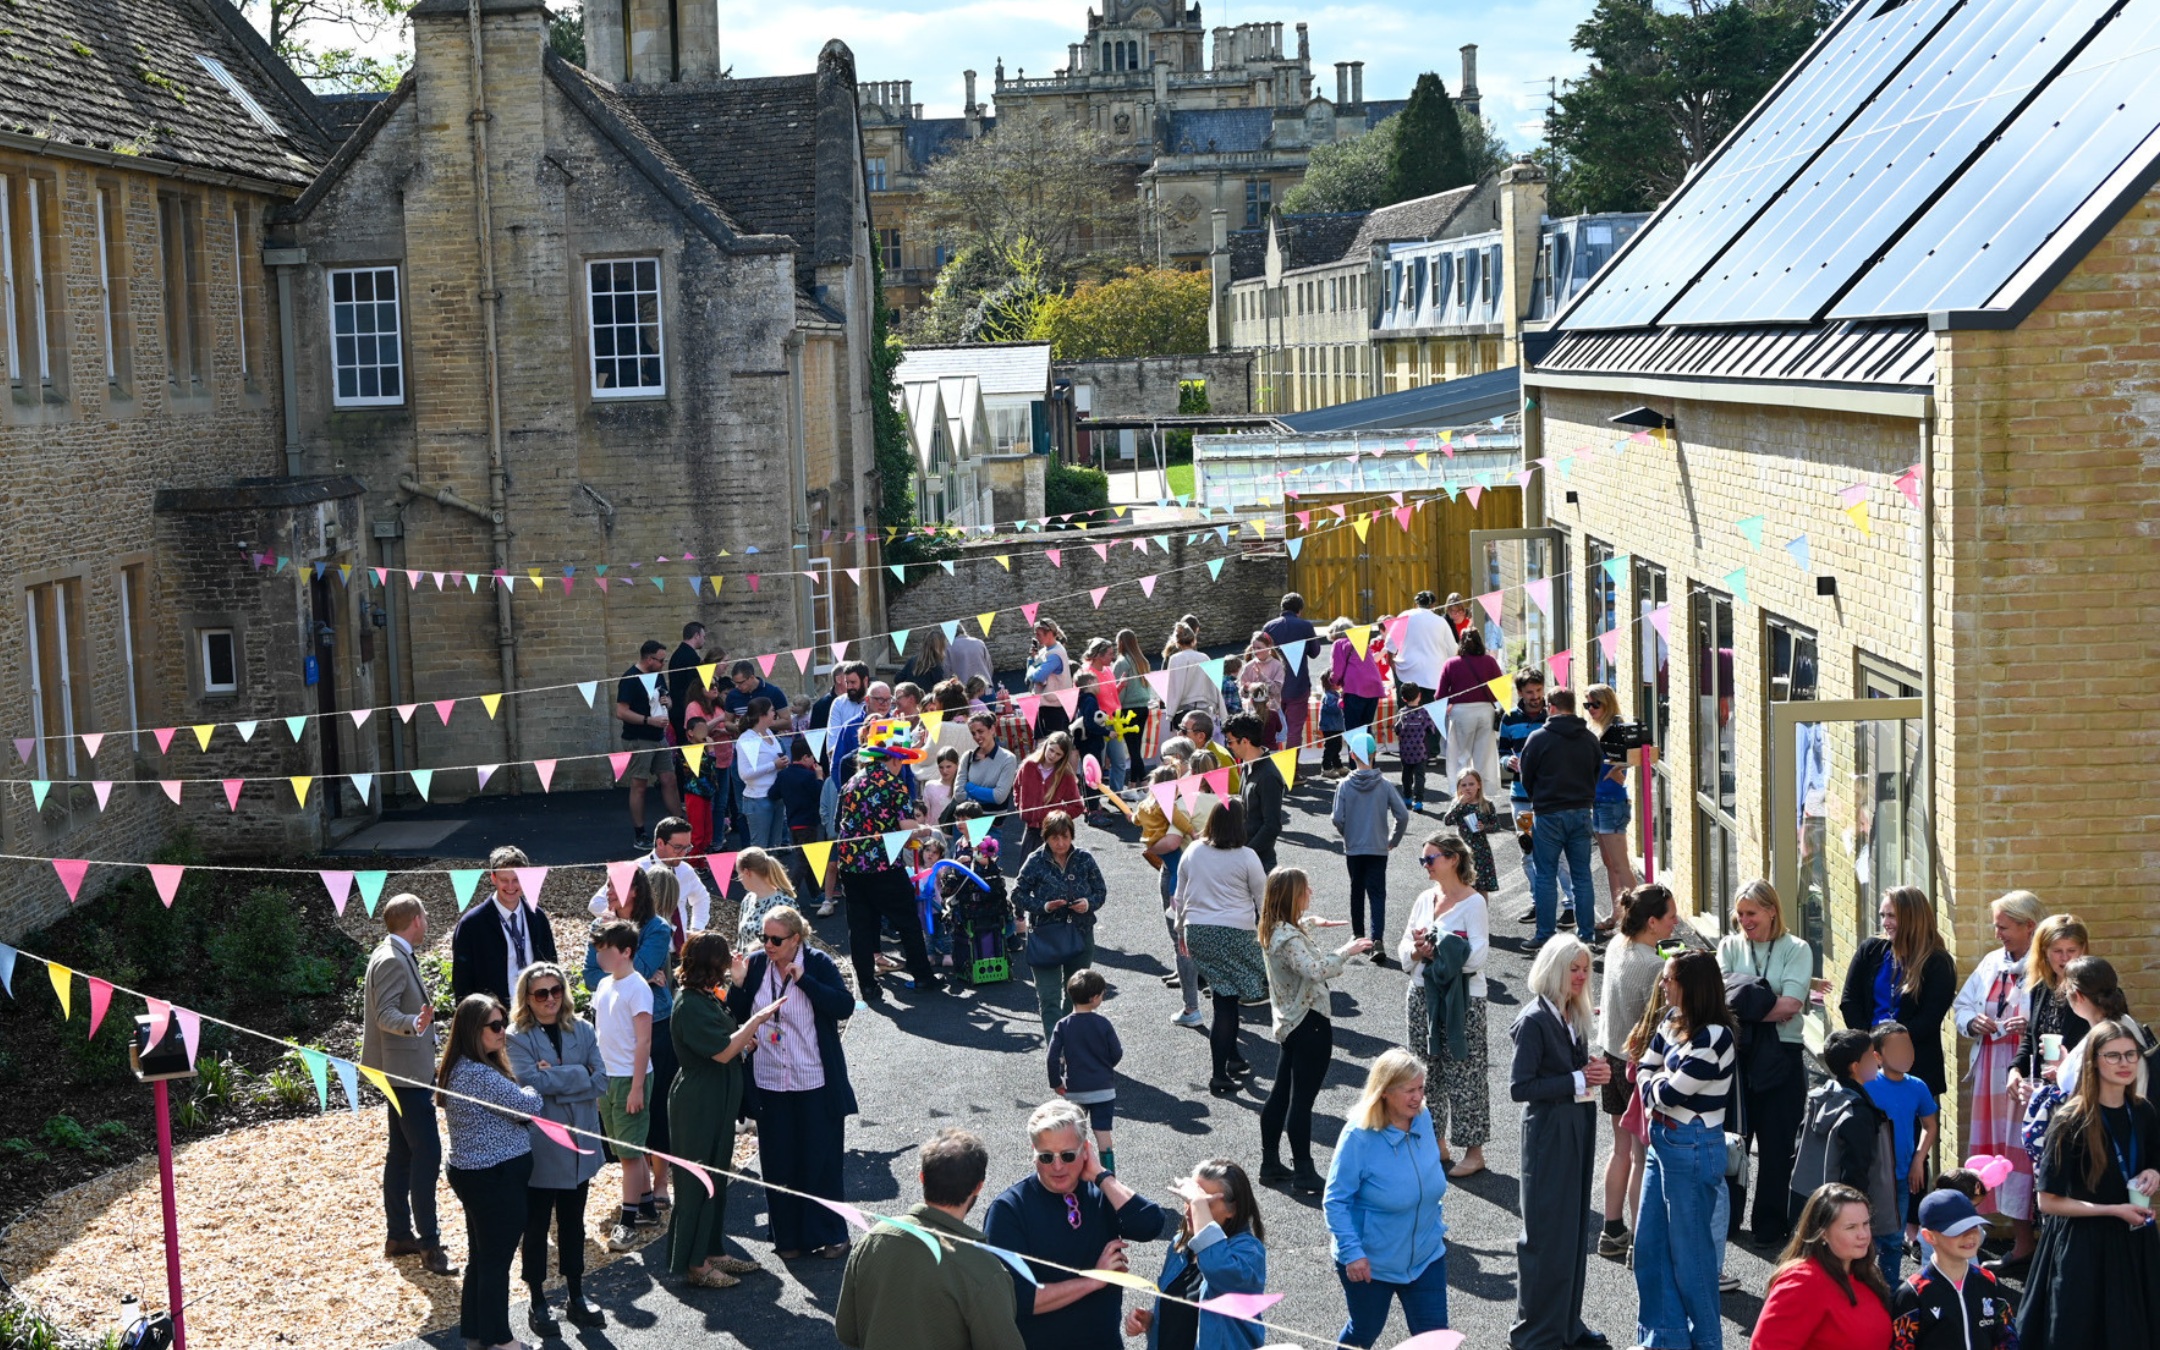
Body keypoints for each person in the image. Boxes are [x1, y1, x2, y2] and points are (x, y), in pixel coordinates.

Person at [2016, 1018, 2160, 1349]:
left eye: (2131, 1054)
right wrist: (2112, 1210)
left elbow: (2153, 1159)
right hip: (2083, 1245)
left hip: (2134, 1239)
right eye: (2113, 1056)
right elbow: (2048, 1202)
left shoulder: (2143, 1111)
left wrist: (2154, 1173)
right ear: (2093, 1061)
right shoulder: (2070, 1120)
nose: (2125, 1063)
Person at [727, 904, 860, 1261]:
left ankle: (832, 1234)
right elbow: (737, 1016)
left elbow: (844, 1006)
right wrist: (738, 984)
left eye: (776, 939)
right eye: (764, 938)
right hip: (770, 1081)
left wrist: (805, 982)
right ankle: (787, 1238)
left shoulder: (817, 963)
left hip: (814, 1079)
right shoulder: (756, 965)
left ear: (796, 939)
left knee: (821, 1161)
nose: (767, 945)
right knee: (778, 1162)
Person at [984, 1099, 1169, 1350]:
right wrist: (1093, 1280)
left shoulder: (1100, 1192)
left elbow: (1150, 1224)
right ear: (1034, 1152)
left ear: (1085, 1151)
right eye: (1046, 1156)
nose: (1057, 1166)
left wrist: (1103, 1177)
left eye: (1068, 1155)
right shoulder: (1009, 1210)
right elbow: (1017, 1299)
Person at [1510, 936, 1610, 1350]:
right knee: (1547, 1233)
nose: (1582, 976)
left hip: (1575, 1123)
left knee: (1571, 1231)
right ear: (1554, 969)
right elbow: (1520, 1087)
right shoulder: (1534, 1020)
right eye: (1574, 968)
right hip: (1550, 1130)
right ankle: (1535, 1334)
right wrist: (1577, 1078)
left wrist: (1591, 1072)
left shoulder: (1572, 1011)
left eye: (1585, 968)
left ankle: (1566, 1326)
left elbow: (1571, 1074)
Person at [837, 1129, 1025, 1350]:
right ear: (978, 1186)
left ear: (922, 1178)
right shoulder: (984, 1270)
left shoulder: (873, 1239)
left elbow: (846, 1331)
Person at [669, 931, 785, 1288]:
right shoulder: (689, 1004)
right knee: (698, 1180)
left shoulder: (705, 997)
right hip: (699, 1103)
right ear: (712, 964)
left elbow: (728, 1044)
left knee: (716, 1178)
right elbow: (720, 1052)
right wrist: (756, 1020)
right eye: (725, 957)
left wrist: (744, 1043)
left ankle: (712, 1250)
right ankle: (695, 1264)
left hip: (716, 1097)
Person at [1633, 950, 1736, 1350]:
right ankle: (1665, 1341)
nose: (1662, 985)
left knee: (1691, 1260)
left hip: (1692, 1149)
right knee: (1649, 1249)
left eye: (1669, 979)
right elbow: (1643, 1067)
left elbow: (1668, 1093)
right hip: (1663, 1143)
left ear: (1691, 986)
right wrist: (1656, 1081)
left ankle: (1708, 1343)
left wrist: (1655, 1082)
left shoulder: (1715, 1037)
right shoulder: (1672, 1020)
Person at [1323, 1048, 1451, 1349]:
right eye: (1409, 1091)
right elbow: (1335, 1201)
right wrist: (1352, 1252)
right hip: (1371, 1263)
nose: (1418, 1098)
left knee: (1435, 1341)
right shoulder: (1358, 1136)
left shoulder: (1422, 1117)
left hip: (1426, 1256)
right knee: (1363, 1332)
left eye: (1420, 1088)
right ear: (1384, 1092)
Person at [436, 994, 542, 1350]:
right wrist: (532, 1086)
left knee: (481, 1258)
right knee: (496, 1261)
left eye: (503, 1023)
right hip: (494, 1177)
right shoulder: (478, 1073)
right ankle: (500, 1340)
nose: (502, 1032)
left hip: (476, 1174)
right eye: (495, 1026)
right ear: (473, 1030)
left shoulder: (459, 1067)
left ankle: (477, 1334)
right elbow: (527, 1107)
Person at [505, 962, 606, 1333]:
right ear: (527, 998)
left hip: (580, 1143)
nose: (550, 999)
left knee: (573, 1223)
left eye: (556, 990)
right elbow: (529, 1081)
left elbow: (602, 1081)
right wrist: (579, 1074)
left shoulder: (583, 1029)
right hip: (543, 1147)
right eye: (541, 993)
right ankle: (537, 1300)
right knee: (535, 1227)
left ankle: (576, 1294)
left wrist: (556, 1075)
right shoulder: (516, 1037)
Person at [1259, 868, 1373, 1192]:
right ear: (1293, 896)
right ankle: (1304, 1172)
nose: (1311, 891)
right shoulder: (1291, 940)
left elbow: (1293, 937)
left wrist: (1312, 922)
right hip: (1310, 1023)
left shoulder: (1272, 929)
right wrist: (1346, 952)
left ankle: (1270, 1163)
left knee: (1280, 1094)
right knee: (1301, 1102)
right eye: (1305, 888)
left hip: (1289, 1023)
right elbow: (1314, 970)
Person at [361, 895, 456, 1277]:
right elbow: (385, 1014)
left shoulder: (391, 952)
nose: (427, 921)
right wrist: (414, 1024)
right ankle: (429, 1244)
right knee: (427, 1155)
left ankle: (399, 1235)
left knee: (401, 1154)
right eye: (425, 916)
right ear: (416, 920)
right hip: (404, 1076)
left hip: (401, 1072)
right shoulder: (391, 959)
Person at [1718, 878, 1814, 1248]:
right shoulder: (1729, 946)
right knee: (1732, 1142)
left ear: (1772, 911)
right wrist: (1764, 1003)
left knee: (1777, 1146)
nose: (1744, 920)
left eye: (1751, 913)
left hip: (1782, 1057)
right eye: (1740, 913)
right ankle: (1727, 1221)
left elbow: (1792, 1004)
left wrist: (1742, 1002)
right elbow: (1719, 1000)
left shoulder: (1796, 949)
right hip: (1738, 1057)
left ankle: (1769, 1225)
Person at [585, 865, 680, 1218]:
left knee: (655, 1108)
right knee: (626, 1116)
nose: (608, 893)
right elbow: (590, 975)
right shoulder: (601, 926)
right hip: (616, 1033)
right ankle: (640, 1192)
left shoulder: (656, 927)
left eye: (615, 887)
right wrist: (628, 969)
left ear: (635, 891)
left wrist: (632, 972)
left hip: (655, 1026)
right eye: (608, 886)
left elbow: (635, 970)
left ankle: (660, 1183)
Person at [1952, 890, 2042, 1262]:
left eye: (2004, 927)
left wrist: (2031, 1027)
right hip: (1992, 1068)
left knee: (2023, 1150)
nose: (1997, 934)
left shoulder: (2045, 966)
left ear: (2029, 926)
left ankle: (2027, 1241)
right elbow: (1961, 1005)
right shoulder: (1993, 962)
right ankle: (2013, 1237)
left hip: (2026, 1071)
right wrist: (1973, 1022)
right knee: (1997, 1150)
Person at [1398, 835, 1492, 1177]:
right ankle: (1435, 1141)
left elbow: (1478, 956)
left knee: (1466, 1073)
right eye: (1422, 860)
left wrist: (1440, 951)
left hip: (1462, 999)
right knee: (1426, 1072)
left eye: (1430, 859)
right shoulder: (1425, 898)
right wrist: (1417, 951)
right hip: (1422, 994)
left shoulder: (1474, 902)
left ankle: (1474, 1152)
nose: (1425, 866)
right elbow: (1403, 948)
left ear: (1453, 859)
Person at [1597, 885, 1677, 1259]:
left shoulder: (1617, 945)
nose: (1676, 922)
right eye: (1670, 916)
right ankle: (1640, 1243)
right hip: (1636, 1067)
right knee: (1643, 1157)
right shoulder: (1654, 967)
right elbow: (1662, 1024)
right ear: (1652, 922)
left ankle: (1612, 1230)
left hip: (1610, 1055)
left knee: (1620, 1149)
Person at [836, 722, 941, 1001]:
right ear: (894, 758)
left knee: (860, 925)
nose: (902, 765)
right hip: (882, 864)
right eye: (902, 759)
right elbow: (907, 832)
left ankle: (867, 985)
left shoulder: (851, 782)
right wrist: (925, 830)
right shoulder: (894, 785)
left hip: (850, 863)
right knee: (907, 919)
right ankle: (922, 976)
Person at [1173, 802, 1271, 1097]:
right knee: (1227, 1002)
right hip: (1235, 933)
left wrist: (1181, 930)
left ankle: (1233, 1057)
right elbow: (1263, 900)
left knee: (1224, 994)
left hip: (1198, 932)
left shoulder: (1193, 851)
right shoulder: (1247, 856)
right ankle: (1219, 1074)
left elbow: (1179, 896)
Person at [1126, 1160, 1270, 1350]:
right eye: (1188, 1201)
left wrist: (1198, 1204)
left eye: (1204, 1204)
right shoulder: (1180, 1244)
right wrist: (1152, 1320)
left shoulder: (1248, 1253)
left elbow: (1216, 1268)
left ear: (1232, 1209)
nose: (1191, 1210)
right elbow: (1184, 1309)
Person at [1791, 1029, 1899, 1271]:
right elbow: (1856, 1171)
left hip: (1818, 1203)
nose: (1877, 1059)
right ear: (1855, 1067)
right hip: (1845, 1210)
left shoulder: (1823, 1096)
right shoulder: (1858, 1115)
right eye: (1870, 1055)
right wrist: (1861, 1216)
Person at [1839, 885, 1958, 1100]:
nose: (1885, 922)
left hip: (1915, 1065)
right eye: (1883, 915)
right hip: (1868, 1063)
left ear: (1913, 918)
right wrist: (1870, 1046)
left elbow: (1928, 1019)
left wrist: (1888, 1048)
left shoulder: (1938, 962)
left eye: (1892, 916)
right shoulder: (1871, 950)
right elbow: (1849, 1001)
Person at [1752, 1184, 1895, 1350]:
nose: (1863, 1234)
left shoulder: (1864, 1273)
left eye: (1865, 1223)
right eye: (1851, 1227)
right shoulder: (1803, 1282)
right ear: (1823, 1233)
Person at [589, 918, 658, 1252]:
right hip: (608, 1077)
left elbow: (644, 1041)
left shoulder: (637, 987)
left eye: (606, 950)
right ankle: (646, 1207)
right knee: (627, 1149)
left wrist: (636, 1087)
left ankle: (627, 1223)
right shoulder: (604, 985)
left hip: (631, 1077)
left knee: (629, 1154)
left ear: (626, 952)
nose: (600, 957)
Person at [1518, 688, 1602, 947]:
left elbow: (1526, 775)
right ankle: (1587, 936)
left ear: (1551, 707)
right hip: (1581, 811)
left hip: (1548, 813)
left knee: (1545, 875)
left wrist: (1538, 798)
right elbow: (1596, 771)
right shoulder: (1589, 738)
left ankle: (1544, 935)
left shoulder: (1538, 738)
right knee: (1582, 876)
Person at [1015, 812, 1109, 1039]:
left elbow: (1100, 891)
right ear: (1046, 837)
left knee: (1077, 995)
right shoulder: (1035, 861)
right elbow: (1017, 895)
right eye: (1055, 838)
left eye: (1065, 837)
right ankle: (1056, 1048)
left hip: (1080, 932)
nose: (1060, 843)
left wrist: (1088, 904)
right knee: (1049, 998)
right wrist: (1044, 906)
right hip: (1045, 937)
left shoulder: (1084, 858)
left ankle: (1070, 1042)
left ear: (1072, 835)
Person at [1893, 1189, 2018, 1350]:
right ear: (1929, 1236)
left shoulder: (1989, 1281)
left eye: (1974, 1226)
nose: (1970, 1235)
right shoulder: (1912, 1293)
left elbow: (2007, 1337)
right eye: (1958, 1230)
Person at [1864, 1022, 1939, 1281]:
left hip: (1902, 1176)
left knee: (1894, 1239)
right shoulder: (1867, 1085)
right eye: (1895, 1049)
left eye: (1907, 1046)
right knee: (1866, 1238)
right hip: (1872, 1177)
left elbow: (1930, 1126)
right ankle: (1864, 1290)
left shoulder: (1917, 1086)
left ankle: (1891, 1291)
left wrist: (1919, 1159)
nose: (1904, 1054)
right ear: (1877, 1056)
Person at [452, 847, 559, 1007]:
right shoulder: (471, 924)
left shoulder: (538, 917)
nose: (510, 886)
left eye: (516, 879)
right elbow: (462, 980)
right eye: (504, 880)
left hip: (536, 1009)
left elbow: (552, 965)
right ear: (493, 878)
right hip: (495, 1014)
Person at [1329, 736, 1408, 946]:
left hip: (1354, 847)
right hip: (1378, 847)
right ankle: (1377, 939)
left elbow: (1337, 818)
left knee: (1357, 891)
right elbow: (1402, 815)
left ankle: (1358, 935)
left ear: (1352, 755)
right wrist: (1394, 839)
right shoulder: (1385, 785)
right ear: (1375, 754)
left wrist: (1348, 833)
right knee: (1377, 893)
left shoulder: (1344, 785)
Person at [2011, 914, 2092, 1109]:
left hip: (2079, 1095)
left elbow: (2107, 1044)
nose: (2065, 958)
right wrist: (2015, 1069)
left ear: (2082, 950)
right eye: (2057, 951)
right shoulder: (2041, 987)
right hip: (2044, 1094)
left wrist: (2064, 1070)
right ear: (2044, 952)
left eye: (2071, 950)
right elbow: (2031, 1036)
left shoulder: (2094, 991)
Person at [1047, 969, 1123, 1172]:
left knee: (1074, 1133)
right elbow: (1116, 1052)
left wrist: (1056, 1082)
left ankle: (1076, 1172)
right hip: (1103, 1089)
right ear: (1094, 998)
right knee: (1103, 1132)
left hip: (1076, 1089)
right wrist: (1106, 1067)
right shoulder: (1103, 1023)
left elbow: (1052, 1057)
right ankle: (1108, 1174)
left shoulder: (1063, 1025)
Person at [584, 818, 713, 937]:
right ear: (660, 843)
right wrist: (628, 925)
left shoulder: (685, 870)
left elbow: (702, 898)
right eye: (678, 847)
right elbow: (596, 904)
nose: (684, 853)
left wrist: (696, 929)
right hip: (644, 945)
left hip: (679, 948)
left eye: (687, 847)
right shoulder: (634, 870)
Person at [1581, 685, 1639, 933]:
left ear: (1608, 704)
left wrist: (1615, 770)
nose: (1591, 709)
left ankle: (1640, 918)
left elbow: (1625, 771)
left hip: (1612, 803)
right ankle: (1618, 913)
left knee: (1620, 864)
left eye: (1596, 704)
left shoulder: (1616, 729)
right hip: (1600, 802)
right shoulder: (1600, 729)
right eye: (1587, 705)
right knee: (1609, 863)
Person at [617, 637, 681, 848]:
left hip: (659, 736)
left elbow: (667, 699)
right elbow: (621, 712)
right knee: (639, 785)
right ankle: (640, 833)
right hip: (638, 738)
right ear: (648, 659)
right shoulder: (630, 678)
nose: (663, 664)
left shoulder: (657, 675)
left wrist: (668, 702)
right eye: (660, 660)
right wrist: (648, 720)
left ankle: (679, 826)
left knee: (669, 780)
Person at [1433, 628, 1503, 795]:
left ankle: (1462, 792)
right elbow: (1500, 689)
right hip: (1485, 711)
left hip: (1460, 713)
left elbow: (1439, 695)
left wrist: (1451, 702)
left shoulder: (1451, 663)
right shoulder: (1490, 661)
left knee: (1461, 757)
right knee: (1483, 756)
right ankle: (1483, 793)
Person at [1497, 669, 1548, 888]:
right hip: (1520, 795)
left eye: (1538, 690)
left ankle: (1567, 901)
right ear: (1520, 693)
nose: (1535, 696)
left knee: (1556, 855)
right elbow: (1502, 751)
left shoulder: (1553, 714)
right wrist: (1507, 761)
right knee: (1527, 850)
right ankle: (1537, 898)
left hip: (1549, 795)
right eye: (1529, 692)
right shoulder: (1509, 718)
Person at [1223, 713, 1283, 873]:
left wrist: (1245, 854)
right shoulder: (1246, 765)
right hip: (1243, 856)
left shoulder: (1268, 776)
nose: (1229, 746)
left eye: (1230, 741)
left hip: (1260, 863)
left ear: (1245, 741)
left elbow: (1272, 826)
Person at [1262, 592, 1319, 752]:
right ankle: (1292, 766)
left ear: (1282, 608)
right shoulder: (1305, 626)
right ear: (1299, 610)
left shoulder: (1269, 627)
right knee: (1294, 730)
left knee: (1271, 728)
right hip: (1298, 686)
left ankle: (1272, 763)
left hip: (1272, 685)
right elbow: (1315, 653)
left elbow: (1260, 654)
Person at [1018, 731, 1086, 863]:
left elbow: (1077, 806)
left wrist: (1054, 815)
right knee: (1025, 870)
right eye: (1051, 750)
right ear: (1046, 745)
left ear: (1064, 757)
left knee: (1050, 871)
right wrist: (1021, 807)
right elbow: (1017, 787)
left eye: (1058, 754)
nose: (1053, 755)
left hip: (1052, 833)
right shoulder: (1029, 765)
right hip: (1031, 830)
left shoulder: (1065, 775)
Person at [733, 697, 787, 850]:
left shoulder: (769, 732)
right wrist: (773, 765)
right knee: (760, 849)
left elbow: (774, 759)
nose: (775, 714)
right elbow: (744, 774)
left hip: (776, 796)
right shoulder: (747, 739)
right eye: (772, 711)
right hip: (758, 799)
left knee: (775, 847)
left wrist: (783, 762)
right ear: (762, 715)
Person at [1383, 591, 1455, 700]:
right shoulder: (1441, 622)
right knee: (1432, 711)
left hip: (1406, 674)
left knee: (1407, 710)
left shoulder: (1405, 616)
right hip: (1434, 678)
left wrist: (1392, 665)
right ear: (1433, 605)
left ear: (1416, 603)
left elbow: (1390, 645)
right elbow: (1453, 651)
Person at [1437, 769, 1499, 894]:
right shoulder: (1458, 803)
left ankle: (1482, 907)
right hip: (1462, 849)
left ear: (1479, 785)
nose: (1467, 788)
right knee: (1463, 884)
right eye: (1463, 785)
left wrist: (1484, 827)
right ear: (1459, 788)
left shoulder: (1486, 804)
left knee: (1481, 887)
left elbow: (1496, 826)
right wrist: (1460, 804)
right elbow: (1447, 821)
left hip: (1481, 851)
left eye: (1471, 784)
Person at [959, 711, 1021, 835]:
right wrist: (988, 794)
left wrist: (969, 787)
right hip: (966, 824)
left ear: (992, 729)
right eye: (973, 733)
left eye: (980, 731)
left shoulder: (1008, 758)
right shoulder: (968, 756)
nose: (977, 736)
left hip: (992, 825)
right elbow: (959, 795)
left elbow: (999, 797)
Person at [732, 847, 798, 957]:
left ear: (747, 872)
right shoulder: (747, 900)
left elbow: (794, 945)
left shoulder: (784, 904)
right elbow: (741, 940)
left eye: (739, 874)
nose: (739, 879)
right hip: (748, 966)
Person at [1329, 618, 1385, 736]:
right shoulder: (1361, 642)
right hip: (1374, 686)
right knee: (1366, 727)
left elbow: (1337, 670)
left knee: (1353, 729)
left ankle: (1356, 749)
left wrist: (1333, 682)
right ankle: (1368, 748)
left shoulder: (1339, 644)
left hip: (1355, 688)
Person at [1112, 629, 1154, 771]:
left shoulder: (1122, 662)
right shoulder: (1143, 661)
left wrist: (1115, 708)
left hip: (1128, 708)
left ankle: (1140, 779)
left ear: (1121, 643)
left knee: (1133, 749)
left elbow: (1119, 689)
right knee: (1136, 747)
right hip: (1143, 707)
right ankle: (1136, 780)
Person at [947, 625, 994, 692]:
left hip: (965, 690)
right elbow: (989, 665)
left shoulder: (948, 647)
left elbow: (947, 671)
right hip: (985, 687)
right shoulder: (979, 642)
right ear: (963, 631)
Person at [1317, 673, 1347, 776]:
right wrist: (1343, 700)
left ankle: (1337, 765)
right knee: (1331, 747)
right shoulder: (1329, 696)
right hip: (1330, 727)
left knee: (1337, 747)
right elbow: (1334, 709)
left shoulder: (1335, 694)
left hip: (1336, 726)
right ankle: (1326, 767)